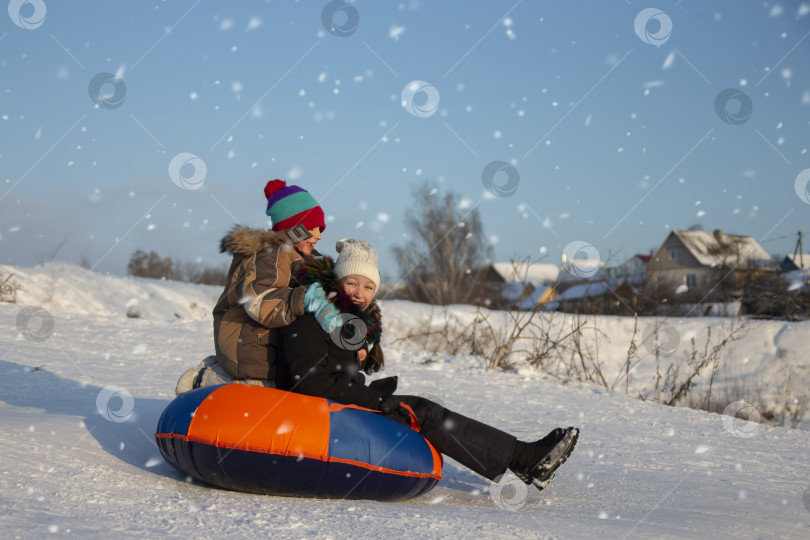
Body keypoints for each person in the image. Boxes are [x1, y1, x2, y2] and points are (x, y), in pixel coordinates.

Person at [276, 238, 579, 491]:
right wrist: (377, 399)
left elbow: (335, 375)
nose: (360, 293)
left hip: (336, 407)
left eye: (369, 287)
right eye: (352, 282)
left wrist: (367, 379)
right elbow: (309, 382)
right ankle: (524, 459)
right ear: (336, 283)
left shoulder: (344, 325)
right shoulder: (310, 320)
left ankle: (522, 458)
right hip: (317, 416)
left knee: (421, 407)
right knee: (424, 412)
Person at [175, 179, 342, 394]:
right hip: (247, 341)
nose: (319, 235)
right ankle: (205, 379)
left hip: (273, 343)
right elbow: (259, 302)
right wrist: (306, 297)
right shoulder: (271, 253)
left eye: (320, 228)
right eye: (312, 228)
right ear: (294, 229)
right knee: (260, 391)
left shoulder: (303, 257)